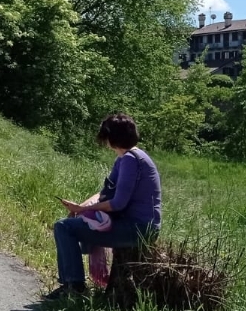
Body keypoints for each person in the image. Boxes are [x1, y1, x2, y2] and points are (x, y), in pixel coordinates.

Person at [47, 113, 162, 300]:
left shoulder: (131, 160)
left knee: (63, 227)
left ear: (112, 137)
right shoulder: (127, 158)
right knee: (67, 224)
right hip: (135, 225)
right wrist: (81, 206)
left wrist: (82, 211)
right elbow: (106, 193)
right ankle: (72, 284)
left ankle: (74, 286)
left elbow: (118, 203)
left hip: (138, 229)